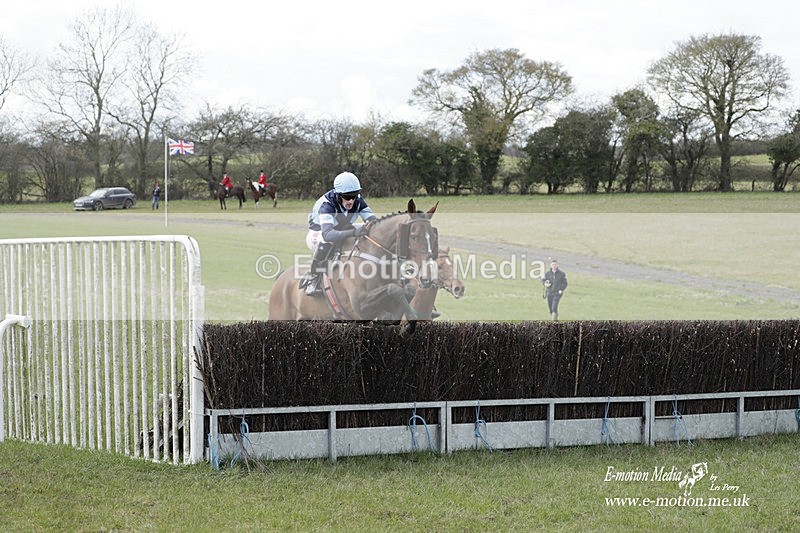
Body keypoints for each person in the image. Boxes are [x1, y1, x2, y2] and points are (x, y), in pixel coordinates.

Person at [299, 172, 378, 296]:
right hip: (319, 232)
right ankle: (313, 277)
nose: (351, 201)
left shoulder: (358, 200)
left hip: (341, 229)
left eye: (354, 196)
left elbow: (373, 221)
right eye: (347, 197)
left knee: (370, 230)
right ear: (338, 194)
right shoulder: (327, 204)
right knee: (327, 241)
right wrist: (354, 232)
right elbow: (328, 234)